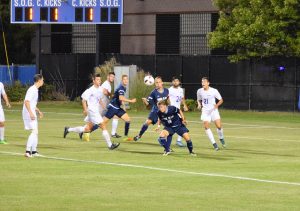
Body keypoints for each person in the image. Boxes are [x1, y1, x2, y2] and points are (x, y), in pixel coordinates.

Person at [64, 74, 120, 150]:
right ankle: (110, 145)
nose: (99, 81)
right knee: (103, 125)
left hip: (94, 111)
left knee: (87, 129)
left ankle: (68, 129)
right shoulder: (90, 90)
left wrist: (104, 107)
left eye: (100, 80)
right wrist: (85, 109)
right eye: (97, 80)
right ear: (93, 81)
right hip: (92, 111)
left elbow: (99, 99)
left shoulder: (100, 89)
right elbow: (84, 100)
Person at [134, 76, 169, 141]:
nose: (158, 84)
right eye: (156, 83)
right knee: (147, 122)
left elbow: (167, 101)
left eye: (159, 82)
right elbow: (148, 107)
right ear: (154, 84)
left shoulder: (167, 91)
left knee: (168, 126)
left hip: (164, 111)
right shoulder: (153, 93)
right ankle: (139, 135)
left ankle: (166, 142)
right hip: (156, 111)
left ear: (162, 83)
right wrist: (145, 102)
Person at [102, 74, 136, 140]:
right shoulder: (121, 87)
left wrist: (123, 106)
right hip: (112, 107)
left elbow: (119, 98)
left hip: (117, 108)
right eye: (124, 79)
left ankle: (125, 136)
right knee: (102, 123)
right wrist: (131, 101)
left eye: (126, 79)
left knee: (128, 120)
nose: (126, 80)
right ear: (122, 80)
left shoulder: (123, 87)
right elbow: (121, 98)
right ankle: (87, 130)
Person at [197, 77, 226, 151]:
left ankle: (221, 138)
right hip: (205, 111)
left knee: (219, 126)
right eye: (202, 82)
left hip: (213, 111)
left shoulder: (214, 91)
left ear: (208, 83)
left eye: (204, 82)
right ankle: (214, 144)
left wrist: (216, 105)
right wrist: (199, 104)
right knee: (206, 126)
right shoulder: (199, 91)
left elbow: (221, 100)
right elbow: (199, 99)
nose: (203, 83)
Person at [23, 74, 44, 157]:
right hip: (28, 113)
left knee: (36, 131)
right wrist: (31, 113)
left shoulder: (35, 89)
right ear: (39, 80)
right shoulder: (32, 90)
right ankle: (27, 151)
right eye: (42, 80)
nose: (43, 82)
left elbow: (32, 104)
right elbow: (26, 102)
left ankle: (34, 151)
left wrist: (38, 111)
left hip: (31, 111)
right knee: (34, 131)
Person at [168, 76, 188, 147]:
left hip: (178, 110)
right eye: (174, 81)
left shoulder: (180, 90)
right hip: (172, 110)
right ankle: (178, 141)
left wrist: (184, 105)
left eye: (177, 81)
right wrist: (170, 107)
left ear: (179, 82)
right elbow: (167, 98)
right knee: (182, 123)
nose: (175, 82)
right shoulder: (170, 90)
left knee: (177, 125)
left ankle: (163, 138)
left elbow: (182, 98)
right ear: (172, 82)